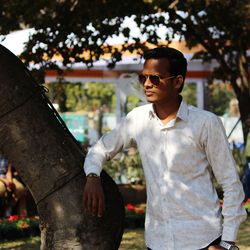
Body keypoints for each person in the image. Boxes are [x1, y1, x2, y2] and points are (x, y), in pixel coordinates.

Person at [83, 47, 246, 250]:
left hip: (203, 240)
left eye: (155, 78)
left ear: (177, 81)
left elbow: (231, 184)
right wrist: (92, 176)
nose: (147, 84)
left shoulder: (206, 123)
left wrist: (228, 242)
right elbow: (100, 150)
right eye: (143, 78)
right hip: (157, 241)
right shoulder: (137, 119)